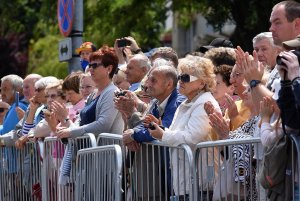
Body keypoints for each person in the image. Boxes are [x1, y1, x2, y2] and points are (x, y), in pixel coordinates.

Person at [149, 55, 220, 200]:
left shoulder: (204, 103)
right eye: (180, 76)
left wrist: (163, 135)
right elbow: (178, 133)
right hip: (186, 180)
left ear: (201, 83)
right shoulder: (187, 102)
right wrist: (161, 129)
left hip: (199, 182)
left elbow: (192, 137)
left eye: (186, 78)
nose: (180, 81)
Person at [56, 45, 124, 138]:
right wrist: (67, 124)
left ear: (109, 69)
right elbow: (79, 123)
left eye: (95, 65)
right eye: (90, 65)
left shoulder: (112, 92)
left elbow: (103, 125)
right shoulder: (92, 95)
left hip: (106, 151)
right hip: (89, 151)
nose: (90, 68)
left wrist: (71, 132)